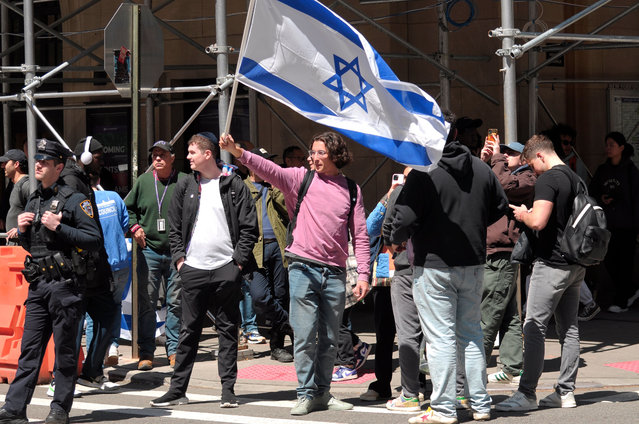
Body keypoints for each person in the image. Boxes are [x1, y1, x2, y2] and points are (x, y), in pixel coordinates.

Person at [220, 131, 370, 416]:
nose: (313, 157)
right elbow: (269, 169)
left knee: (328, 337)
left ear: (336, 155)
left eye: (320, 152)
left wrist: (364, 274)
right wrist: (238, 152)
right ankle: (304, 393)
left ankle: (323, 393)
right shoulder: (301, 178)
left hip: (335, 273)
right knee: (303, 336)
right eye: (311, 151)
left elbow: (360, 235)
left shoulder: (352, 189)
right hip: (302, 267)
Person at [390, 132, 508, 423]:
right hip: (472, 261)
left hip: (434, 264)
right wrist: (474, 224)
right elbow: (500, 206)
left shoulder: (425, 170)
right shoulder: (481, 168)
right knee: (471, 334)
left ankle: (443, 408)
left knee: (440, 338)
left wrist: (395, 237)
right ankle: (480, 403)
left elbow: (403, 219)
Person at [150, 132, 258, 408]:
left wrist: (238, 264)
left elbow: (248, 228)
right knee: (189, 331)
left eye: (191, 152)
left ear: (207, 154)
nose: (187, 157)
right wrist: (180, 261)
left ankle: (228, 390)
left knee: (227, 330)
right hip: (192, 269)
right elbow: (174, 227)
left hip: (226, 269)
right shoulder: (185, 185)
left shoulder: (234, 184)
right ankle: (177, 390)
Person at [0, 138, 103, 424]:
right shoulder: (34, 199)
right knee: (29, 349)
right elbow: (35, 246)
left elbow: (94, 239)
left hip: (66, 285)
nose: (38, 164)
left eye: (45, 161)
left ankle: (59, 409)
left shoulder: (75, 200)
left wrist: (61, 227)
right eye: (37, 160)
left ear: (59, 166)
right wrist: (21, 231)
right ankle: (14, 408)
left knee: (65, 350)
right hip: (38, 285)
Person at [496, 134, 587, 412]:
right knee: (569, 329)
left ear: (540, 157)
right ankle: (565, 392)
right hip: (575, 264)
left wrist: (523, 214)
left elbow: (539, 220)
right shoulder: (575, 178)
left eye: (531, 165)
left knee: (533, 326)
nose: (532, 172)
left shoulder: (549, 179)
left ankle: (526, 393)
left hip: (552, 264)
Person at [58, 142, 117, 392]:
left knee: (107, 314)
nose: (101, 161)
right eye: (98, 157)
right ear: (85, 157)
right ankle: (62, 379)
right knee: (73, 325)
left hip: (94, 266)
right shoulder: (71, 182)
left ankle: (90, 372)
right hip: (79, 268)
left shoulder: (82, 179)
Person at [125, 140, 186, 370]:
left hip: (176, 251)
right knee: (148, 303)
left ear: (172, 157)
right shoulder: (143, 181)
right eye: (154, 155)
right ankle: (146, 353)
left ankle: (174, 350)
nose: (157, 159)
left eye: (162, 155)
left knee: (176, 302)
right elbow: (128, 209)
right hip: (148, 250)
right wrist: (135, 228)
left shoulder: (184, 181)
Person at [479, 138, 536, 384]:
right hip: (492, 252)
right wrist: (483, 161)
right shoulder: (495, 170)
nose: (505, 156)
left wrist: (496, 158)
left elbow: (503, 184)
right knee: (508, 313)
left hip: (501, 253)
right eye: (505, 152)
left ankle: (473, 367)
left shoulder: (527, 178)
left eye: (511, 153)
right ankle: (513, 366)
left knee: (489, 313)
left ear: (523, 158)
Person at [381, 167, 427, 412]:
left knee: (408, 333)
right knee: (442, 332)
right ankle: (454, 391)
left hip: (408, 269)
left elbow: (389, 228)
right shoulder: (441, 184)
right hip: (437, 266)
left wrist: (395, 243)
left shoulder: (400, 192)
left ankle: (410, 394)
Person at [244, 147, 293, 362]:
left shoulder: (275, 187)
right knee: (260, 296)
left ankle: (277, 347)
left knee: (281, 296)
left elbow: (288, 211)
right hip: (255, 250)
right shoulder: (242, 188)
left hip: (278, 247)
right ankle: (291, 325)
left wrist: (276, 188)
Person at [589, 131, 639, 313]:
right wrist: (602, 198)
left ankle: (622, 299)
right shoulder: (603, 170)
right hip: (607, 225)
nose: (608, 148)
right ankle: (630, 290)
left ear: (621, 148)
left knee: (625, 262)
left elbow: (636, 198)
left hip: (626, 225)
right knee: (609, 261)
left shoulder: (630, 171)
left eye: (612, 144)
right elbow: (592, 191)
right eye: (606, 144)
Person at [85, 173, 130, 366]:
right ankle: (112, 345)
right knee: (115, 306)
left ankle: (93, 361)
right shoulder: (114, 197)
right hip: (120, 262)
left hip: (99, 266)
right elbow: (125, 226)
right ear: (99, 181)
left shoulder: (83, 203)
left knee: (92, 313)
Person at [0, 149, 30, 245]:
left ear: (16, 164)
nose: (2, 166)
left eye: (6, 162)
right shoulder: (14, 185)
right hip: (14, 244)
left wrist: (19, 229)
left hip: (22, 245)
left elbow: (38, 210)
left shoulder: (27, 185)